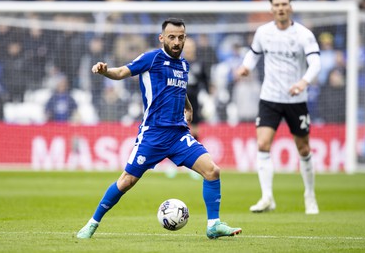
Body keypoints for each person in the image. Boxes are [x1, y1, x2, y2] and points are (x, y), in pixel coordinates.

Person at [76, 18, 242, 239]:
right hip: (153, 135)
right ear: (162, 38)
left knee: (212, 171)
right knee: (127, 181)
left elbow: (178, 90)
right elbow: (122, 72)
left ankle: (213, 225)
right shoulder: (151, 58)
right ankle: (92, 223)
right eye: (171, 37)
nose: (176, 41)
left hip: (178, 135)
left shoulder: (184, 64)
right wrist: (105, 70)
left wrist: (188, 107)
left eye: (180, 37)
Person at [236, 0, 321, 214]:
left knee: (303, 148)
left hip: (296, 99)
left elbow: (315, 63)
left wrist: (303, 82)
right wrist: (246, 67)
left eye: (285, 4)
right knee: (263, 144)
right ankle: (267, 198)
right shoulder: (263, 32)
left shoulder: (304, 34)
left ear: (290, 7)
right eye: (277, 5)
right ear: (272, 9)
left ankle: (309, 196)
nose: (281, 8)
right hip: (270, 97)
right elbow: (253, 54)